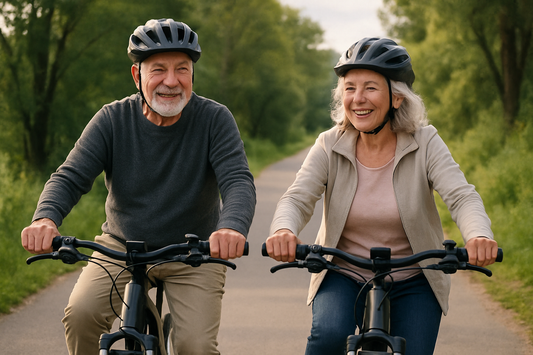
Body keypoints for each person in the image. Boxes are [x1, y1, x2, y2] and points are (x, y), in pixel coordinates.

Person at [21, 18, 256, 355]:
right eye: (158, 69)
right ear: (137, 76)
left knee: (196, 345)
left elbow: (237, 181)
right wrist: (45, 219)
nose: (171, 82)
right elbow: (70, 177)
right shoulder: (112, 119)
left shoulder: (214, 119)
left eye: (182, 69)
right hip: (121, 248)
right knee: (81, 316)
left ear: (193, 74)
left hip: (194, 253)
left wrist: (231, 227)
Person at [264, 37, 499, 355]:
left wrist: (478, 236)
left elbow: (462, 196)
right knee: (329, 336)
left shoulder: (425, 142)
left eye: (370, 88)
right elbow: (297, 198)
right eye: (349, 88)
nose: (358, 99)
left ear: (397, 98)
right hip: (342, 272)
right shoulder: (329, 144)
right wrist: (283, 230)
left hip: (415, 276)